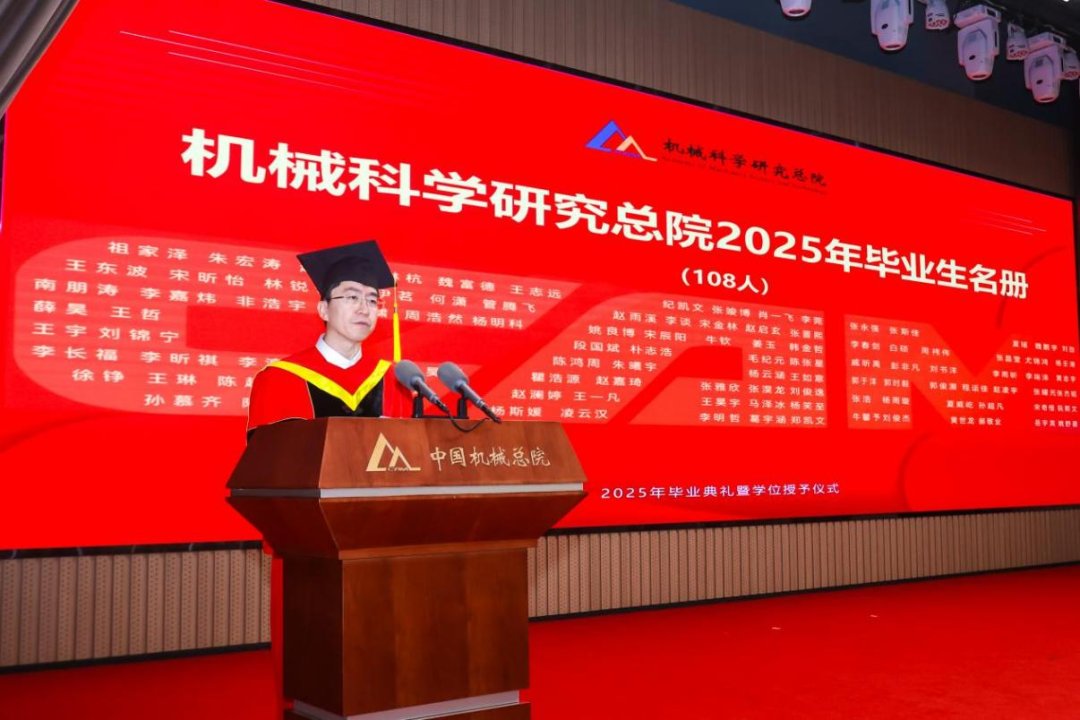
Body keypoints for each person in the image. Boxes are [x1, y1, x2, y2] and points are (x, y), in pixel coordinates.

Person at [246, 239, 412, 435]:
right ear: (324, 310)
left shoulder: (393, 380)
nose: (364, 309)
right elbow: (268, 453)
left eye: (372, 300)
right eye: (352, 297)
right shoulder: (279, 379)